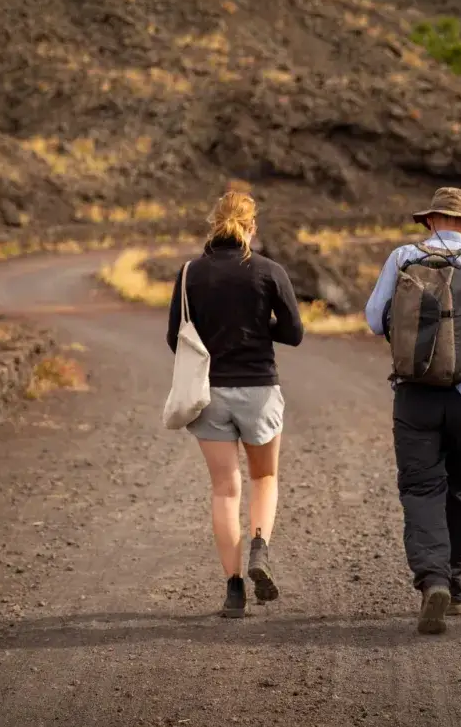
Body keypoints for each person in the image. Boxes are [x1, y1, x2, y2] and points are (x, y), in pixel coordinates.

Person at [364, 186, 461, 635]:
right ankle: (457, 590)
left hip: (414, 393)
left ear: (431, 220)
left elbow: (375, 320)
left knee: (420, 489)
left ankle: (432, 580)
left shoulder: (401, 259)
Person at [167, 189, 304, 618]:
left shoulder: (190, 274)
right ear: (252, 227)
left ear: (214, 224)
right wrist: (259, 327)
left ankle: (233, 589)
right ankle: (260, 549)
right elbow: (295, 332)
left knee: (224, 490)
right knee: (264, 478)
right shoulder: (268, 271)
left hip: (209, 394)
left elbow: (175, 338)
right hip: (260, 390)